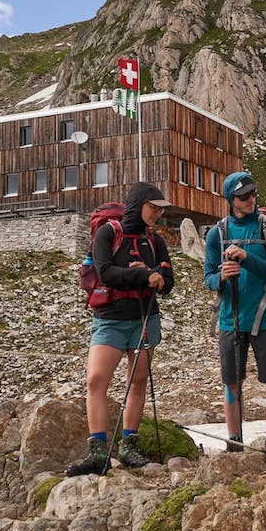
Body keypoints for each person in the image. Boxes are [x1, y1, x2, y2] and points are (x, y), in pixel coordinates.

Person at [65, 182, 175, 477]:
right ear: (138, 204)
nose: (158, 214)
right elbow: (105, 273)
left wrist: (156, 278)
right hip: (110, 318)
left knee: (137, 383)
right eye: (154, 208)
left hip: (145, 319)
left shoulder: (155, 240)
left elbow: (169, 281)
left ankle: (128, 445)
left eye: (161, 210)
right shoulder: (108, 233)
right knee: (96, 380)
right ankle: (97, 450)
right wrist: (140, 274)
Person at [204, 171, 266, 467]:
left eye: (252, 194)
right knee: (232, 382)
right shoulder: (216, 233)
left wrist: (245, 258)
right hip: (230, 318)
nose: (251, 200)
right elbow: (207, 277)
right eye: (243, 197)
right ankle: (234, 442)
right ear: (231, 200)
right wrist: (220, 278)